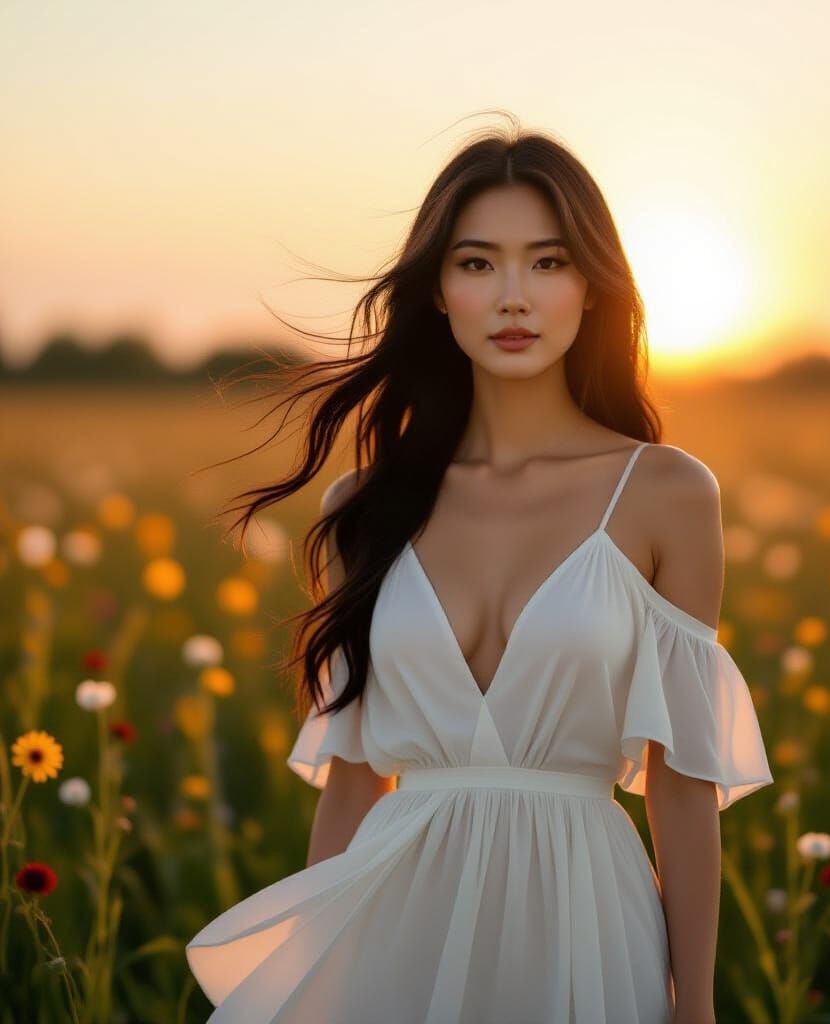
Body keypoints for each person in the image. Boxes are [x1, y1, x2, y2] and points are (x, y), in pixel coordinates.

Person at [185, 112, 773, 1023]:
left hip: (589, 929)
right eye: (476, 263)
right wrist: (311, 984)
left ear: (592, 288)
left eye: (547, 262)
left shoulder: (665, 493)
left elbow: (682, 790)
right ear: (437, 291)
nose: (512, 297)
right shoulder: (363, 509)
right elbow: (352, 782)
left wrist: (692, 1009)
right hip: (393, 926)